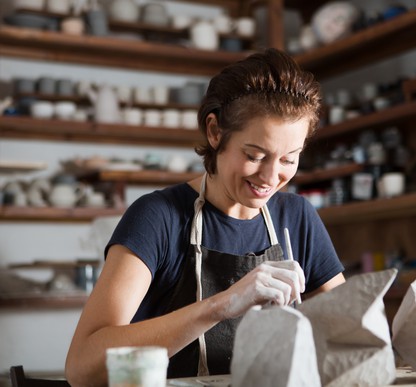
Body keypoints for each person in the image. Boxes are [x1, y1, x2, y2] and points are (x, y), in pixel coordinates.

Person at [65, 48, 345, 386]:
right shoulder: (158, 218)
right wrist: (223, 305)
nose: (271, 178)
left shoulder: (297, 219)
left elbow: (346, 335)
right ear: (215, 132)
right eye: (255, 155)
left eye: (289, 159)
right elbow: (83, 366)